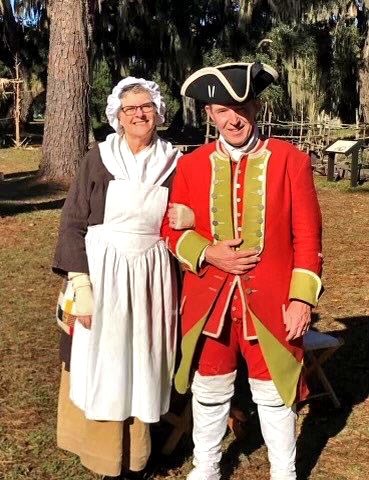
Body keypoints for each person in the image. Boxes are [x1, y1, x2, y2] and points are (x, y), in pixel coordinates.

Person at [162, 62, 323, 480]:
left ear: (255, 107)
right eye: (221, 109)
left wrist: (302, 299)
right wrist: (207, 251)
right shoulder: (191, 165)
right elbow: (169, 228)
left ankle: (284, 473)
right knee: (210, 388)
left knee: (274, 393)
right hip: (210, 301)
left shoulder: (292, 160)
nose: (233, 118)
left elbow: (308, 238)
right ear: (209, 115)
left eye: (242, 107)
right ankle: (206, 468)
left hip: (271, 302)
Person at [53, 77, 183, 479]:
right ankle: (102, 454)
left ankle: (138, 453)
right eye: (130, 109)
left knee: (142, 357)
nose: (139, 114)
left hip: (150, 276)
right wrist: (81, 285)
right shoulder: (99, 157)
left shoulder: (174, 161)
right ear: (118, 117)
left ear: (158, 112)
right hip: (102, 273)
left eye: (146, 107)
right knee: (104, 359)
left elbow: (183, 221)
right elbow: (73, 219)